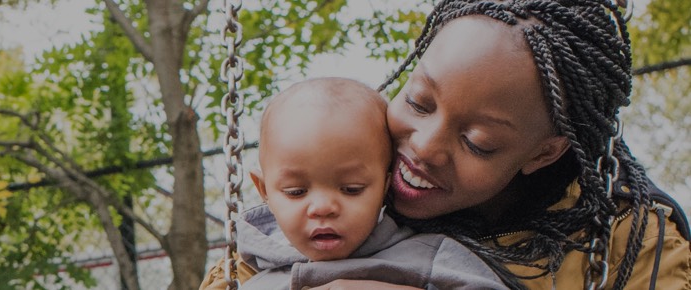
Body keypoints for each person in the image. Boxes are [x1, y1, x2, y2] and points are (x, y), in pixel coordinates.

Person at [201, 0, 690, 289]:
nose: (424, 148)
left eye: (478, 142)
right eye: (417, 102)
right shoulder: (332, 185)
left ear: (546, 151)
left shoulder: (634, 245)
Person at [237, 77, 506, 290]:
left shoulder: (427, 257)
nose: (322, 207)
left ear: (385, 186)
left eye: (351, 189)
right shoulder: (247, 273)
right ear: (264, 190)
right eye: (296, 192)